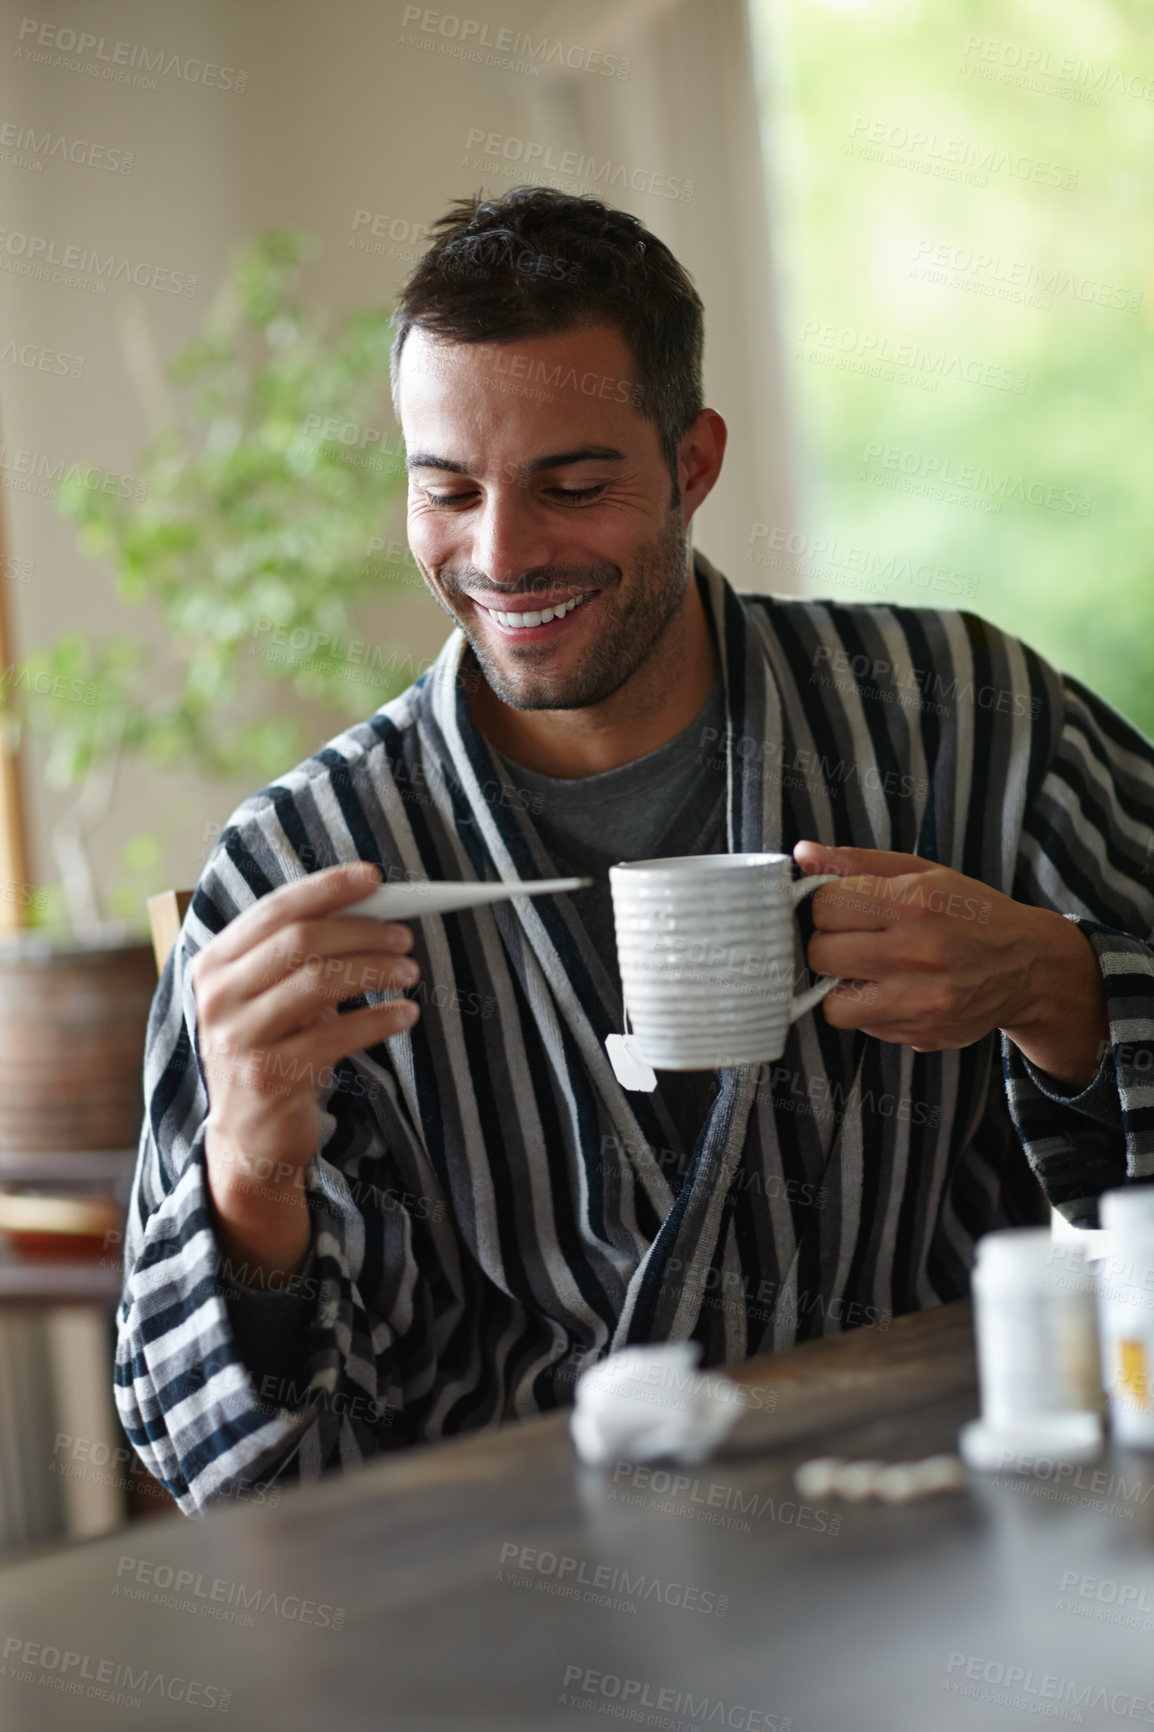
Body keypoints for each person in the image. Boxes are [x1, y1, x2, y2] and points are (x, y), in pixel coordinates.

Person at [115, 187, 1154, 1515]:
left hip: (930, 1517)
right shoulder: (304, 866)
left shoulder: (964, 719)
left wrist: (1057, 990)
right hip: (512, 1592)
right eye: (447, 490)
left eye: (573, 484)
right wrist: (253, 1158)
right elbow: (214, 1465)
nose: (500, 554)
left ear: (693, 463)